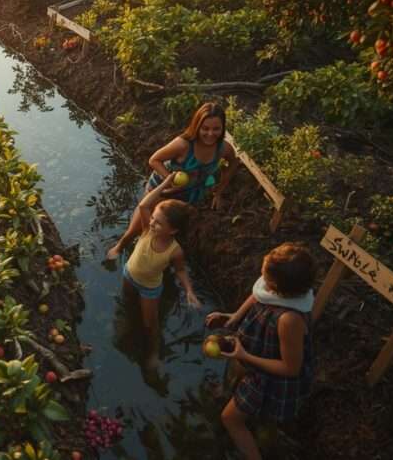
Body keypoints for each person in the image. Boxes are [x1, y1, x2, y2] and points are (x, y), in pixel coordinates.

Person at [205, 243, 316, 460]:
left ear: (276, 287)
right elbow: (258, 295)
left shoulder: (289, 319)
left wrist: (245, 356)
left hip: (269, 377)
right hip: (254, 354)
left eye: (265, 276)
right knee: (237, 378)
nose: (260, 278)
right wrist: (234, 317)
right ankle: (237, 400)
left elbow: (291, 368)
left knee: (230, 419)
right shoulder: (282, 289)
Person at [107, 102, 238, 260]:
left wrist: (219, 192)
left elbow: (233, 163)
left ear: (222, 128)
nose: (210, 134)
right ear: (197, 126)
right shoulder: (183, 144)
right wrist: (169, 180)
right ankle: (122, 244)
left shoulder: (223, 148)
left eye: (216, 129)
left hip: (190, 193)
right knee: (142, 223)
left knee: (170, 228)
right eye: (205, 128)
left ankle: (159, 254)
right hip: (163, 189)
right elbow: (154, 160)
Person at [122, 172, 204, 368]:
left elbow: (181, 270)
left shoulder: (175, 251)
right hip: (128, 274)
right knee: (127, 304)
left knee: (151, 325)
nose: (152, 222)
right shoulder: (146, 230)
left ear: (173, 231)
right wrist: (165, 183)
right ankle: (128, 324)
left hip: (149, 289)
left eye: (158, 222)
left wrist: (189, 290)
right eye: (153, 219)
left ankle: (153, 352)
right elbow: (143, 205)